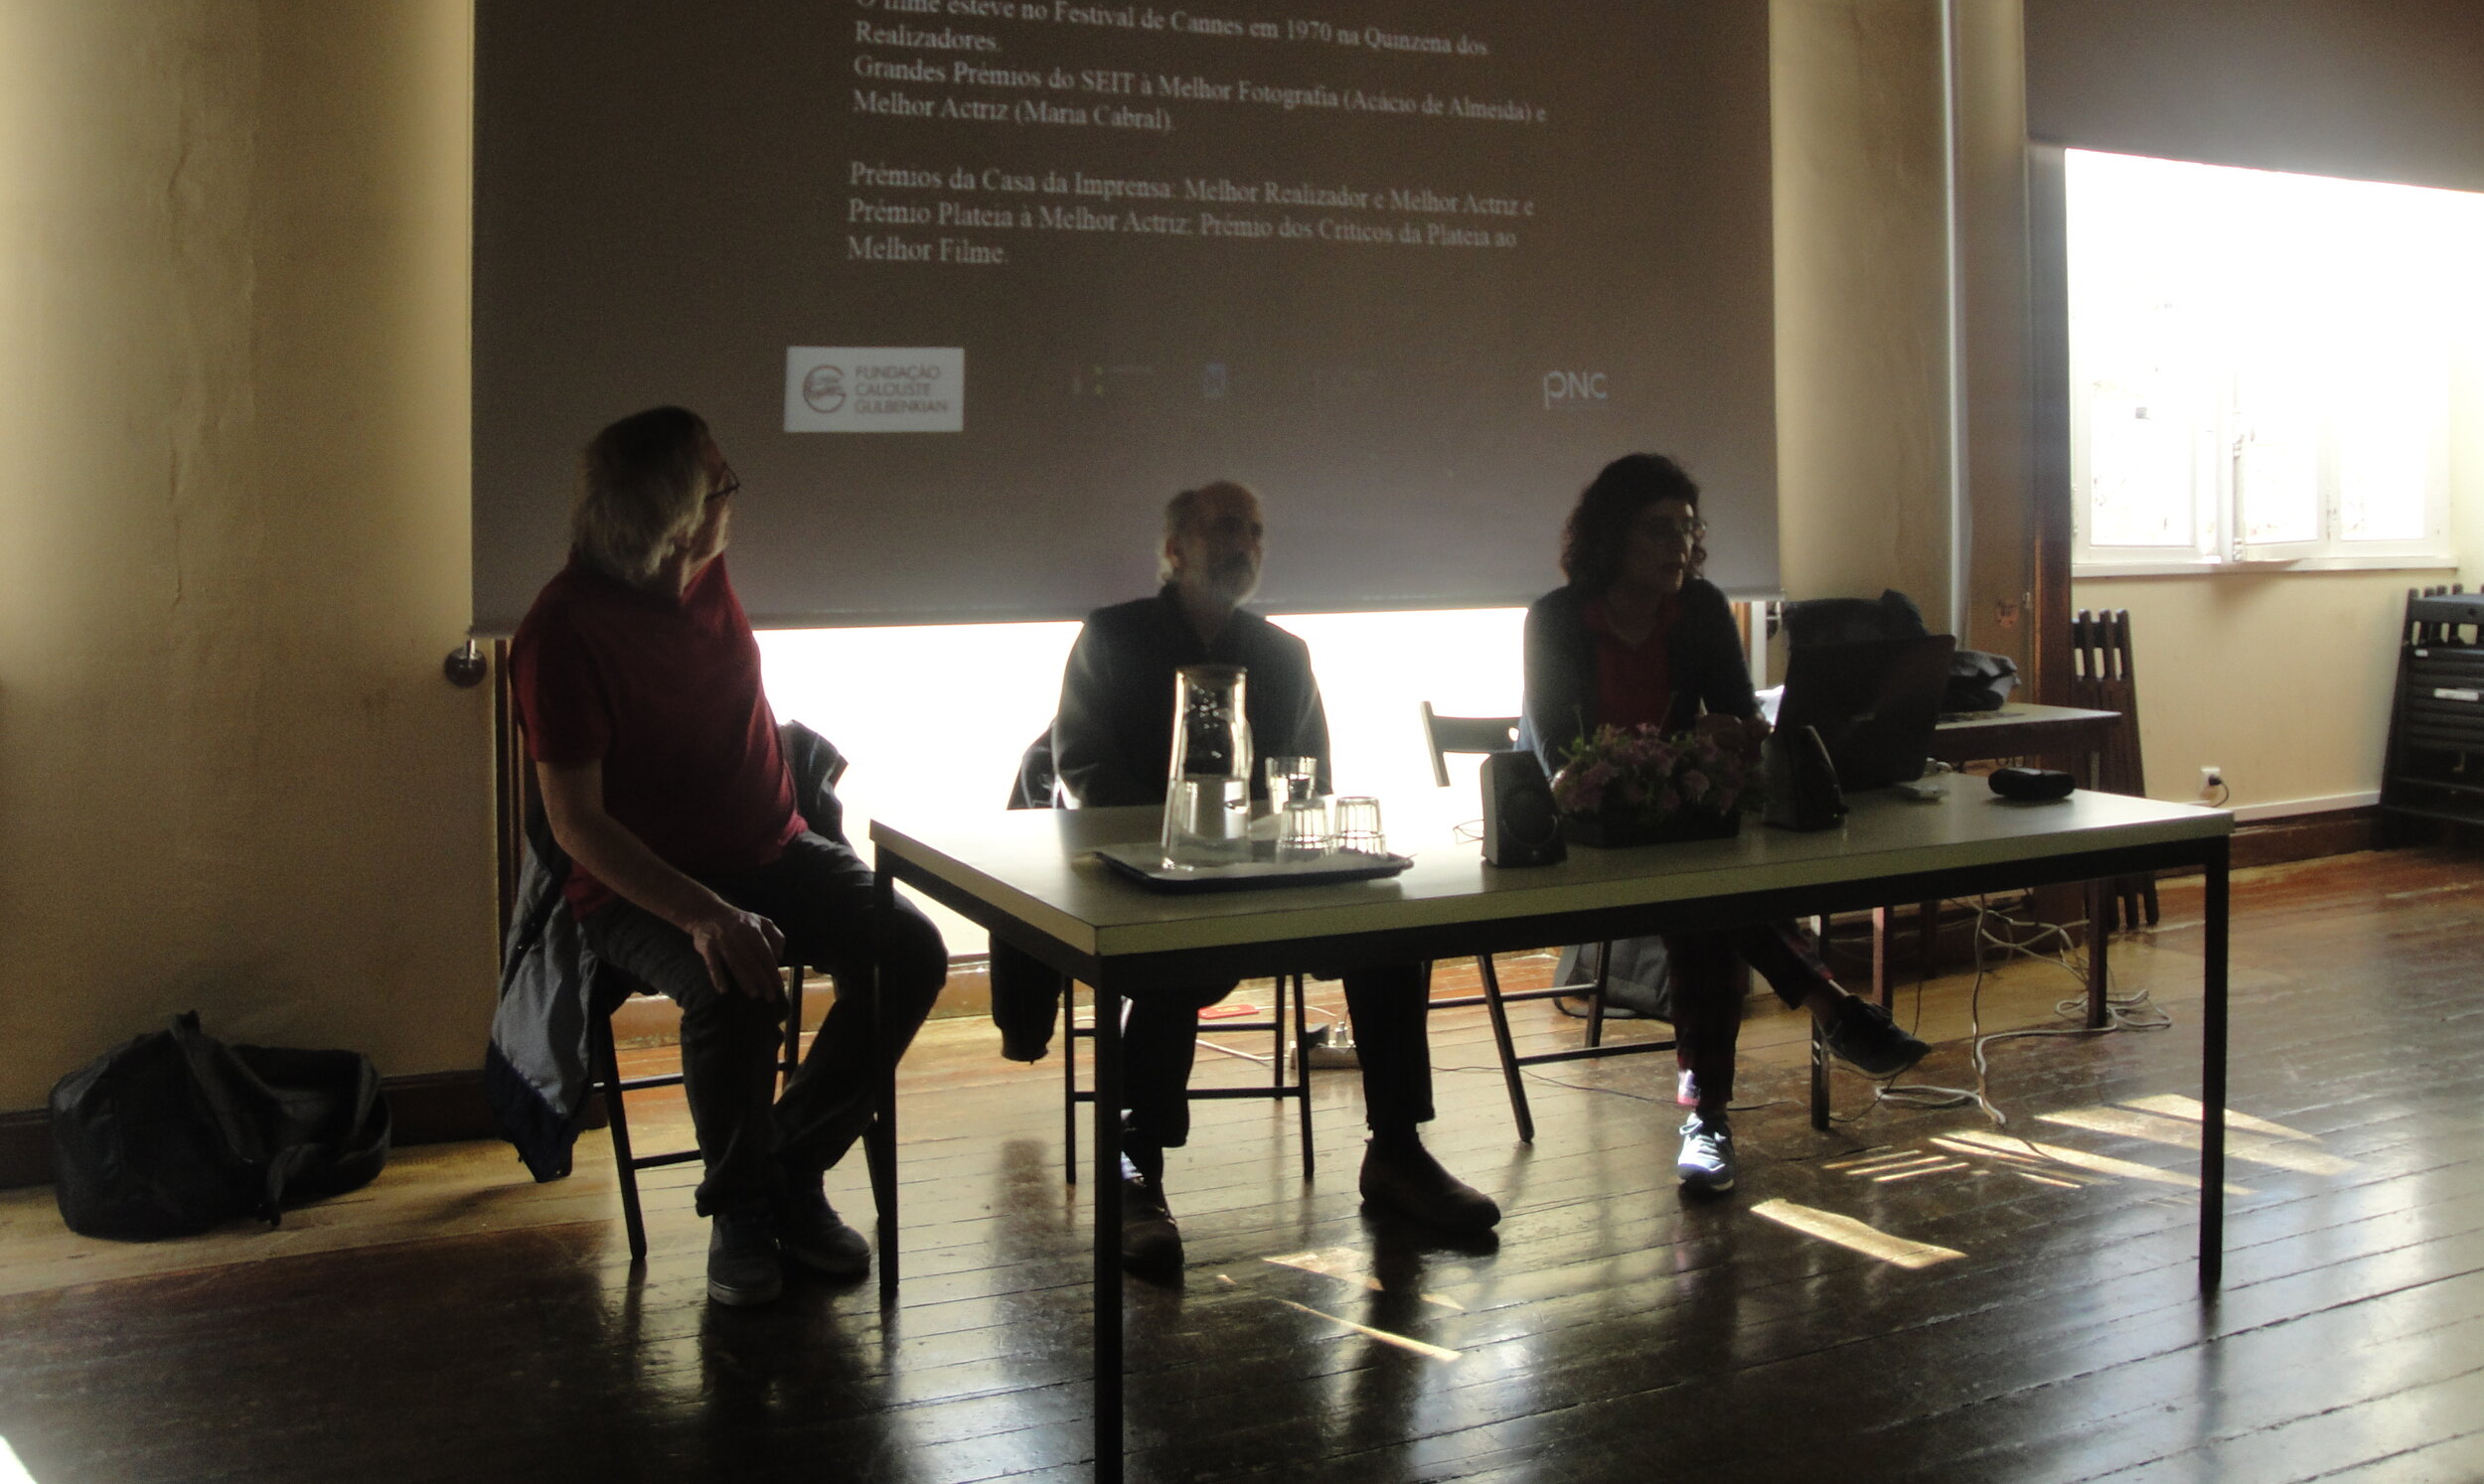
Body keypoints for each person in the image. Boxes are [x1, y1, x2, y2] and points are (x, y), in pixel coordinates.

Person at [511, 406, 950, 1305]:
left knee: (910, 950)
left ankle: (787, 1165)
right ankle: (743, 1212)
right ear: (679, 518)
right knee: (732, 979)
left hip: (773, 844)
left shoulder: (701, 574)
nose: (732, 493)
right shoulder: (561, 631)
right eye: (721, 482)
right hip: (642, 885)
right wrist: (703, 912)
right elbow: (577, 822)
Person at [1052, 480, 1500, 1274]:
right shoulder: (1112, 635)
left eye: (1256, 531)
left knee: (1386, 923)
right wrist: (1183, 839)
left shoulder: (1284, 653)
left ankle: (1395, 1147)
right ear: (1174, 549)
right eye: (1226, 527)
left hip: (1265, 869)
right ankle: (1134, 1164)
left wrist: (1259, 841)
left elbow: (1313, 777)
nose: (1246, 543)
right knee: (1172, 948)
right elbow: (1083, 766)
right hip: (1152, 874)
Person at [1521, 453, 1928, 1196]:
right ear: (1612, 535)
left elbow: (1742, 713)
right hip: (1590, 834)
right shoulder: (1556, 618)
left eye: (1688, 527)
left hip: (1684, 821)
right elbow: (1559, 757)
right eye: (1658, 529)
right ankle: (1820, 1018)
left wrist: (1735, 734)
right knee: (1709, 896)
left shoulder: (1702, 607)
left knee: (1706, 899)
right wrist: (1664, 761)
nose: (1679, 544)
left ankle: (1709, 1118)